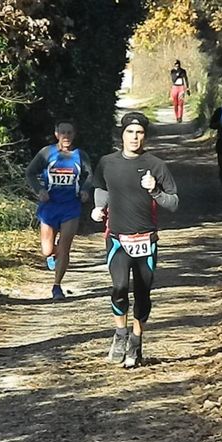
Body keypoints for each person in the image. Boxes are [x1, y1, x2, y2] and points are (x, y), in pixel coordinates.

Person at [91, 112, 179, 368]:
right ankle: (120, 334)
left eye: (139, 133)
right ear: (122, 134)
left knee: (142, 294)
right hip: (117, 238)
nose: (134, 137)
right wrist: (99, 208)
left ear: (145, 136)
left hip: (146, 240)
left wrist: (155, 189)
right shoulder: (107, 162)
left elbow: (173, 203)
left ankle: (136, 341)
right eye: (130, 132)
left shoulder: (156, 165)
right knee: (119, 288)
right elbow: (101, 187)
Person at [26, 119, 93, 300]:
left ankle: (57, 286)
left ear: (74, 135)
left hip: (71, 206)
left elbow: (89, 175)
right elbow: (30, 172)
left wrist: (85, 190)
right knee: (47, 250)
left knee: (64, 247)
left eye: (69, 133)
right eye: (62, 132)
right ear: (56, 134)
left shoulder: (80, 155)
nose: (66, 136)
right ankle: (53, 255)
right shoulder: (47, 153)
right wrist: (39, 190)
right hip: (50, 206)